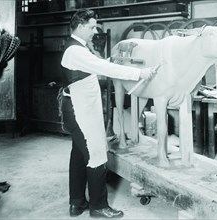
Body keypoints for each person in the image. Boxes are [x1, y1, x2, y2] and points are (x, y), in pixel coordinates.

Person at [59, 9, 157, 219]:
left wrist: (112, 59)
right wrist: (141, 73)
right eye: (92, 27)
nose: (95, 31)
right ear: (81, 25)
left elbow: (95, 64)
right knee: (96, 154)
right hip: (80, 111)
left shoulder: (76, 47)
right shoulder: (75, 50)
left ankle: (77, 203)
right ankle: (98, 207)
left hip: (77, 109)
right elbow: (105, 68)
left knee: (79, 155)